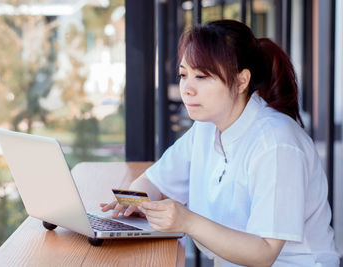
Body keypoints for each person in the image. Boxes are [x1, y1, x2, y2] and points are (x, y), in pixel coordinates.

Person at [101, 20, 340, 266]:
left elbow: (264, 252)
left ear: (241, 81)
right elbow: (155, 181)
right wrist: (130, 203)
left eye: (202, 76)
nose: (187, 88)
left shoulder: (277, 145)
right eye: (184, 74)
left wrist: (187, 221)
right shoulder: (206, 127)